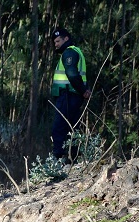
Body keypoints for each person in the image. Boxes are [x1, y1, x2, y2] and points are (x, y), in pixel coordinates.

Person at [51, 27, 91, 162]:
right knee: (72, 128)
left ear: (66, 39)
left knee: (59, 127)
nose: (55, 44)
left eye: (58, 41)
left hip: (68, 95)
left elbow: (72, 74)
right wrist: (84, 90)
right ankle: (72, 158)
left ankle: (58, 159)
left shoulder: (69, 53)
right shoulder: (75, 52)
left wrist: (82, 90)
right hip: (73, 96)